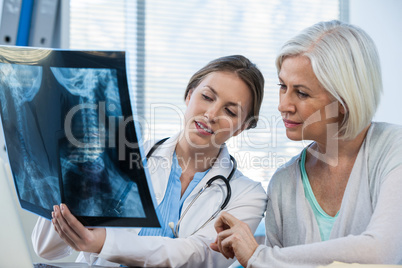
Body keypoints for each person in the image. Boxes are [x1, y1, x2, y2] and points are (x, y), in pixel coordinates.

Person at [31, 55, 267, 267]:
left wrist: (104, 242)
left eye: (230, 111)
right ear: (188, 95)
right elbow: (47, 249)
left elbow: (198, 256)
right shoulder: (125, 154)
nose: (212, 114)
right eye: (207, 97)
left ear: (242, 127)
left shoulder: (248, 196)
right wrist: (73, 177)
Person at [211, 20, 402, 267]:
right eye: (283, 86)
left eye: (301, 93)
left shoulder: (393, 150)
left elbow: (380, 253)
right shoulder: (283, 183)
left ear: (343, 100)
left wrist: (259, 255)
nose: (283, 105)